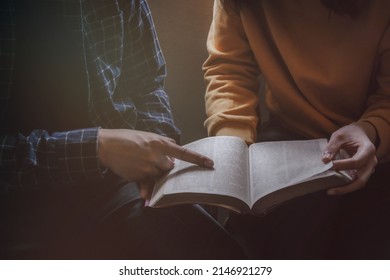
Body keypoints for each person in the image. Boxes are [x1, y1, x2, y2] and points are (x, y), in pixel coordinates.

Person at [0, 0, 245, 259]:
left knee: (219, 252)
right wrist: (96, 148)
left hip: (116, 185)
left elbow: (147, 83)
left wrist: (161, 154)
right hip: (16, 201)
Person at [203, 0, 390, 259]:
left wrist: (372, 128)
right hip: (288, 137)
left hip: (375, 147)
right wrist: (232, 143)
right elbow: (229, 70)